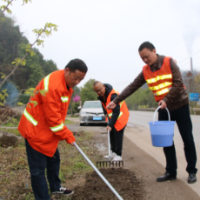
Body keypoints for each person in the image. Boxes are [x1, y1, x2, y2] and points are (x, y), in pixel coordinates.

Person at [106, 41, 198, 183]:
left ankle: (192, 171)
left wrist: (166, 99)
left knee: (188, 139)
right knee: (166, 141)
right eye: (142, 58)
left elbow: (179, 83)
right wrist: (116, 101)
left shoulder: (169, 62)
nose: (145, 60)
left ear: (154, 51)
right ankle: (171, 171)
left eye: (147, 56)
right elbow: (132, 86)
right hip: (163, 108)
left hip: (180, 106)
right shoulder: (145, 70)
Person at [18, 59, 88, 200]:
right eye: (76, 78)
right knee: (38, 170)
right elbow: (54, 121)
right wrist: (68, 136)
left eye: (81, 79)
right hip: (35, 131)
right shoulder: (52, 87)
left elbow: (56, 116)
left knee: (54, 159)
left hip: (48, 132)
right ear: (67, 70)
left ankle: (56, 187)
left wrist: (63, 132)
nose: (77, 82)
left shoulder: (64, 82)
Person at [93, 81, 129, 161]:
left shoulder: (113, 95)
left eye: (99, 90)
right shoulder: (102, 95)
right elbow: (104, 105)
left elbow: (116, 111)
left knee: (117, 135)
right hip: (113, 117)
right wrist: (105, 112)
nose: (98, 92)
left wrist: (110, 125)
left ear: (103, 87)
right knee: (111, 134)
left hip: (121, 117)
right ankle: (113, 153)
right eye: (96, 91)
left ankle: (118, 155)